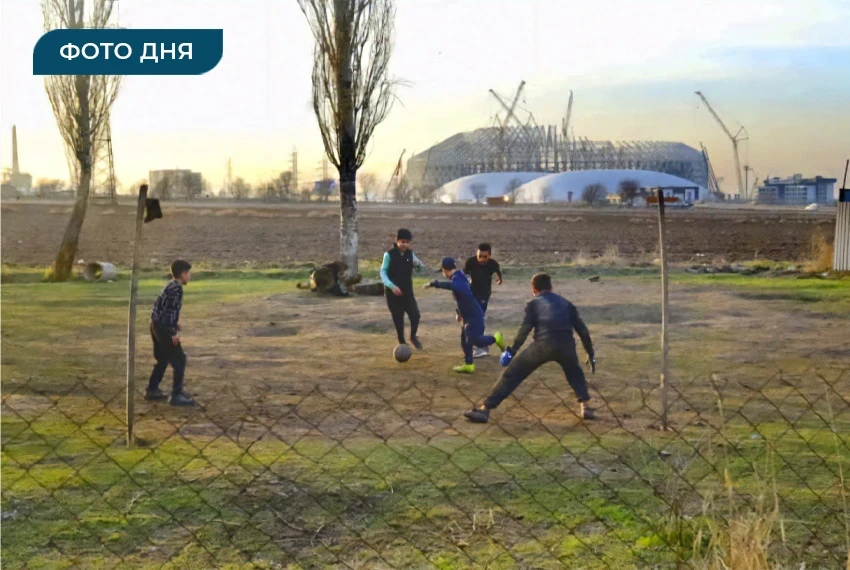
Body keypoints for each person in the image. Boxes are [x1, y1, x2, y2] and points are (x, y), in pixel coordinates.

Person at [463, 273, 596, 423]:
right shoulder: (567, 304)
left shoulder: (534, 304)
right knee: (575, 374)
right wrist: (591, 353)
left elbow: (525, 329)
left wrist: (512, 351)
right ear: (551, 287)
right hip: (566, 345)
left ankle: (485, 409)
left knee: (512, 374)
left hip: (543, 345)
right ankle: (585, 406)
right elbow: (583, 330)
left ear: (533, 289)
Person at [426, 257, 505, 373]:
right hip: (468, 314)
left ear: (444, 270)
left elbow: (456, 287)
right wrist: (460, 314)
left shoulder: (457, 279)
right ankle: (469, 365)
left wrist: (435, 284)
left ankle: (496, 338)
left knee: (474, 340)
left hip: (473, 315)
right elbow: (461, 298)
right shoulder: (458, 276)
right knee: (465, 340)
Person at [146, 260, 195, 406]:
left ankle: (152, 389)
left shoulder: (170, 285)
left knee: (162, 358)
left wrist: (172, 323)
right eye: (189, 273)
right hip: (164, 328)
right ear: (183, 274)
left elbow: (163, 308)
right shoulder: (177, 289)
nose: (190, 277)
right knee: (179, 359)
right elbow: (170, 313)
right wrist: (173, 333)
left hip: (155, 324)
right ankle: (176, 395)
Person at [380, 229, 425, 349]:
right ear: (397, 241)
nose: (404, 244)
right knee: (398, 317)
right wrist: (392, 286)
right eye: (402, 241)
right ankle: (402, 341)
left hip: (407, 291)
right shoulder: (389, 255)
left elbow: (419, 266)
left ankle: (413, 337)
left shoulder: (410, 254)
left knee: (415, 315)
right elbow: (383, 272)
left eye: (407, 242)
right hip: (393, 293)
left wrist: (419, 266)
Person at [463, 243, 503, 358]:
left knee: (479, 318)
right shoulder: (470, 262)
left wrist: (499, 280)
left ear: (489, 255)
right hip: (471, 294)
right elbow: (464, 273)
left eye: (484, 257)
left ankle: (481, 344)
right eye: (479, 256)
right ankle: (479, 342)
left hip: (484, 295)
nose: (481, 259)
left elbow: (498, 272)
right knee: (471, 319)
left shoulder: (493, 264)